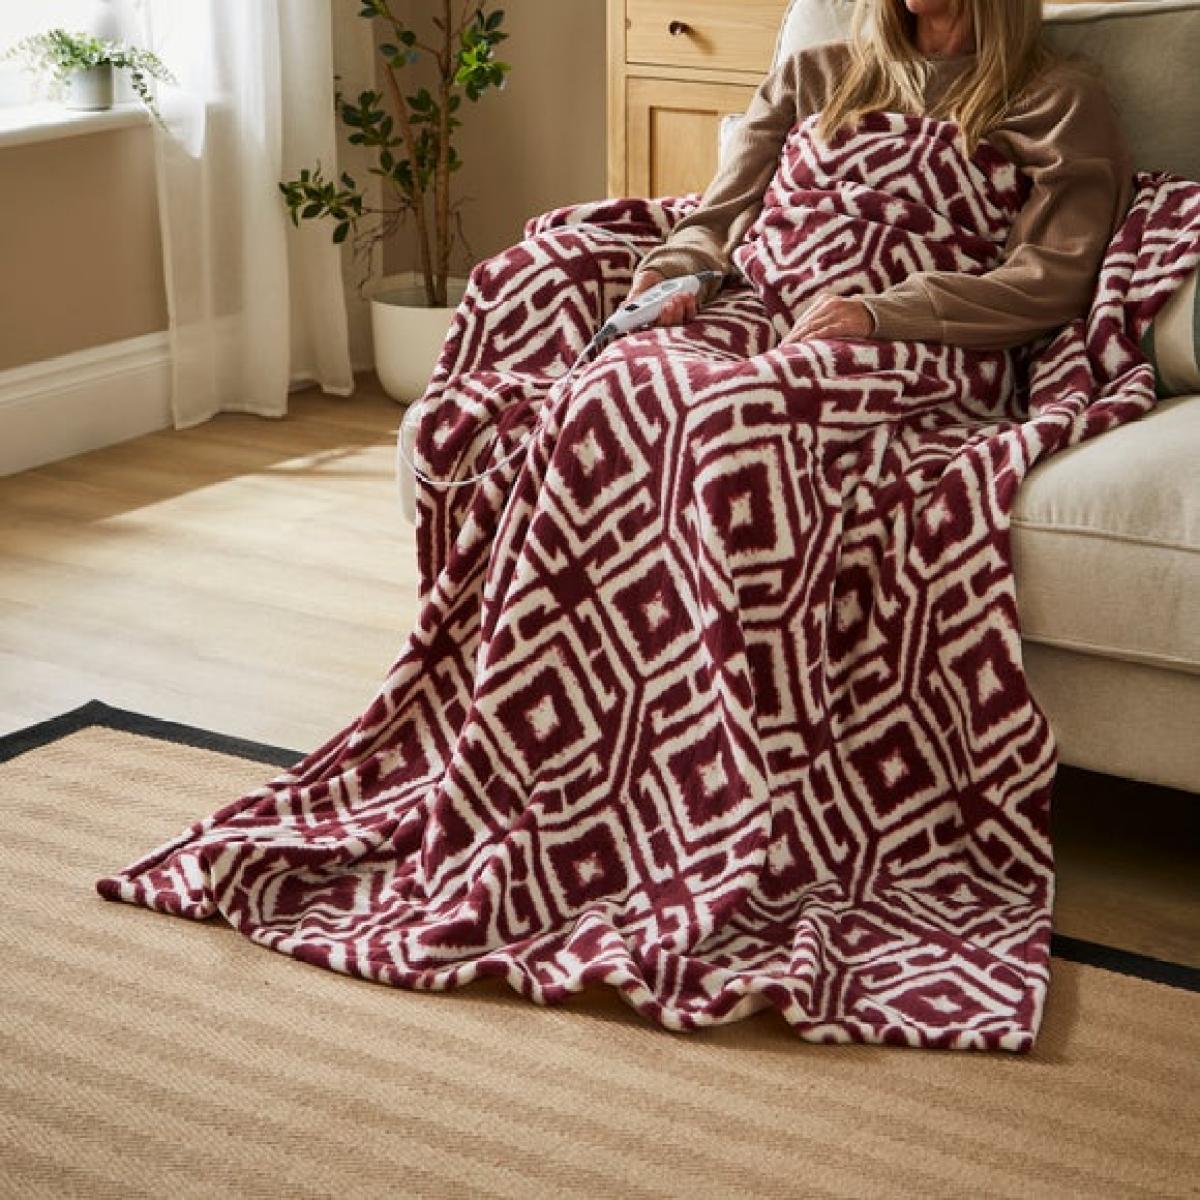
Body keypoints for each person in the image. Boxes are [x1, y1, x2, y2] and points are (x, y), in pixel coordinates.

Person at [626, 0, 1133, 352]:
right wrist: (672, 273)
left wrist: (880, 314)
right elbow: (720, 213)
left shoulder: (1058, 100)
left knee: (734, 417)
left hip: (914, 341)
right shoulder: (812, 74)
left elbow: (1054, 276)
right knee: (627, 381)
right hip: (756, 302)